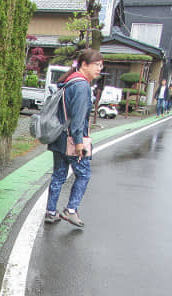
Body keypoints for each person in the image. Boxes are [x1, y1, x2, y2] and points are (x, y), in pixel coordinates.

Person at [44, 49, 104, 228]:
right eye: (96, 65)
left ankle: (51, 211)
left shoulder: (68, 82)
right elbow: (78, 117)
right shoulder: (82, 85)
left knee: (59, 175)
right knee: (84, 174)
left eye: (101, 65)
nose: (99, 69)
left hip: (58, 137)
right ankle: (70, 210)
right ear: (84, 64)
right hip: (73, 139)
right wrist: (79, 142)